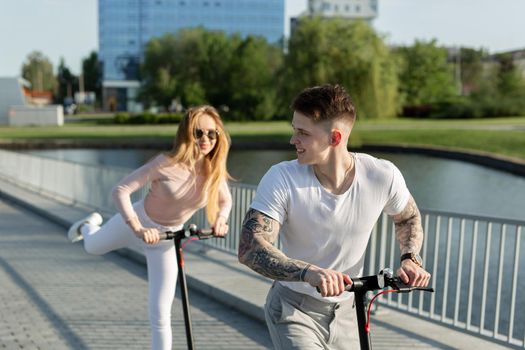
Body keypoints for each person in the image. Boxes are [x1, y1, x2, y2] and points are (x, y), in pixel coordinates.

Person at [238, 84, 431, 349]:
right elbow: (250, 247)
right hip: (293, 309)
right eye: (294, 130)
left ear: (335, 138)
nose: (293, 140)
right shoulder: (282, 177)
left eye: (303, 133)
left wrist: (410, 258)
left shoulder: (381, 175)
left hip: (350, 311)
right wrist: (308, 273)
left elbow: (407, 218)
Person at [67, 105, 232, 350]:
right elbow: (120, 190)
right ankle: (89, 225)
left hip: (166, 239)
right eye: (199, 133)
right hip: (138, 222)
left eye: (212, 133)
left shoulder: (212, 169)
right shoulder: (165, 163)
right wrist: (137, 228)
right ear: (187, 133)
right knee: (92, 247)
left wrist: (221, 219)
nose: (206, 139)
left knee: (160, 312)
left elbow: (225, 200)